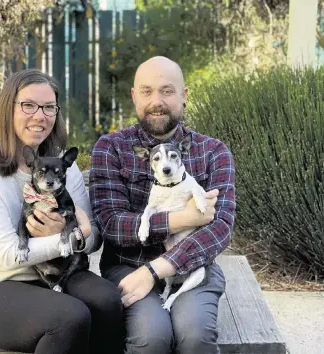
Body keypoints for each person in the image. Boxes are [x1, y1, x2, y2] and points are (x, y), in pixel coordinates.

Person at [0, 68, 124, 354]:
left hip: (60, 272)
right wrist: (68, 238)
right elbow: (10, 254)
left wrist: (77, 235)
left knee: (107, 299)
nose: (40, 116)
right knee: (69, 318)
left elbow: (92, 236)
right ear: (6, 109)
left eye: (49, 107)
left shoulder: (61, 168)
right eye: (28, 105)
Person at [89, 56, 236, 354]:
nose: (156, 101)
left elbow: (220, 228)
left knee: (195, 337)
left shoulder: (213, 151)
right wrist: (184, 218)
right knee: (151, 338)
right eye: (147, 91)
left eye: (167, 91)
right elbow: (112, 224)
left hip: (193, 265)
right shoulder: (111, 147)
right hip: (127, 266)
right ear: (134, 96)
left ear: (184, 95)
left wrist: (155, 270)